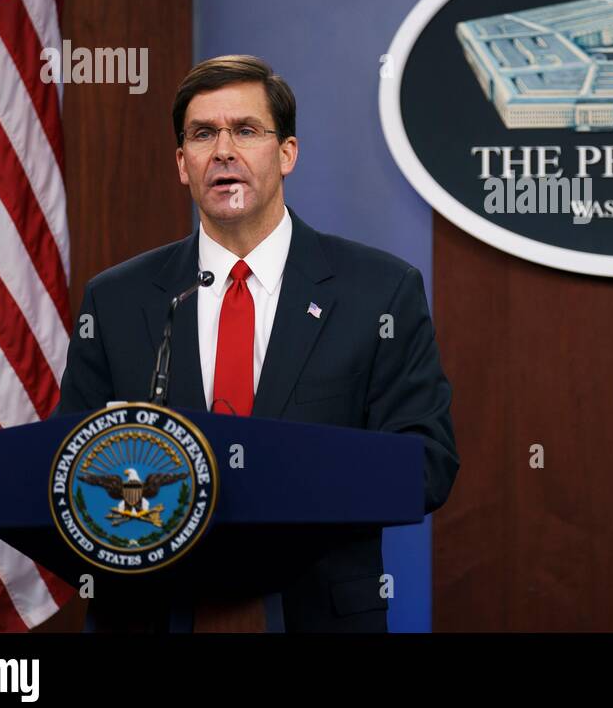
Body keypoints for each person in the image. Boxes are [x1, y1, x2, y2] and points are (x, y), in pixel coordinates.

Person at [54, 54, 458, 631]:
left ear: (286, 153)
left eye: (245, 131)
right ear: (181, 163)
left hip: (315, 616)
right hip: (151, 617)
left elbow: (427, 462)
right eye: (202, 135)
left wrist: (281, 488)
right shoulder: (118, 300)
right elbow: (71, 469)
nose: (223, 151)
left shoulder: (380, 293)